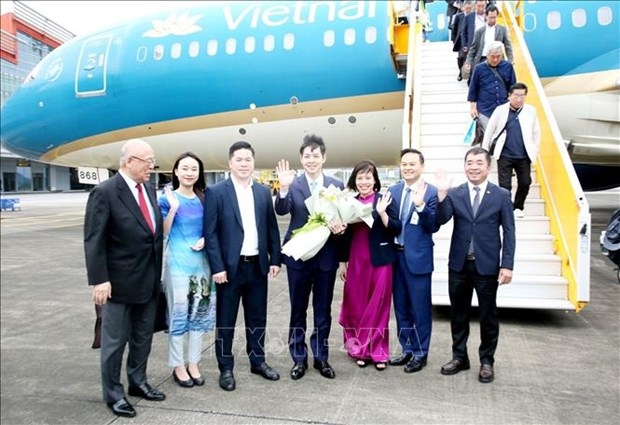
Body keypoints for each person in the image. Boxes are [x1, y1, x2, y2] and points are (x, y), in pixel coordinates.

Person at [84, 139, 165, 418]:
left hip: (149, 280)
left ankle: (138, 383)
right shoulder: (105, 192)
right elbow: (94, 238)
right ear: (129, 161)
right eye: (147, 161)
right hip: (117, 284)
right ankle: (113, 394)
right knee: (114, 343)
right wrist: (99, 279)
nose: (152, 166)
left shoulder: (149, 189)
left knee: (143, 337)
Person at [204, 141, 282, 392]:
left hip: (257, 267)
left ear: (253, 162)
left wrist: (275, 259)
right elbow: (211, 232)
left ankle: (257, 361)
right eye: (239, 159)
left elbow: (271, 227)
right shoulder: (216, 192)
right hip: (229, 269)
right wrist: (217, 267)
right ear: (230, 163)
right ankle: (225, 367)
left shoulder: (261, 192)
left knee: (257, 318)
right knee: (226, 320)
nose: (244, 163)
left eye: (248, 159)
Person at [435, 146, 516, 384]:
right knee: (458, 314)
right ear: (464, 166)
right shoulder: (455, 193)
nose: (473, 167)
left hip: (487, 266)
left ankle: (487, 361)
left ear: (488, 167)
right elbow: (441, 220)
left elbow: (509, 231)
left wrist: (507, 264)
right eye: (469, 163)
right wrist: (441, 195)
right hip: (459, 265)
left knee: (487, 315)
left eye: (479, 163)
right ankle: (460, 357)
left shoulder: (501, 195)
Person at [275, 134, 346, 380]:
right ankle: (298, 358)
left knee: (322, 310)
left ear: (324, 158)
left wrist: (341, 227)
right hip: (299, 258)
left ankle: (321, 358)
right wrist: (283, 188)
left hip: (326, 257)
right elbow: (281, 210)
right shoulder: (292, 184)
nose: (311, 160)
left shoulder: (336, 184)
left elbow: (343, 218)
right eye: (307, 156)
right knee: (297, 309)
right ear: (301, 159)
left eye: (316, 156)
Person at [158, 152, 216, 388]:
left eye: (194, 169)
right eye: (185, 168)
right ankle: (177, 365)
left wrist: (205, 238)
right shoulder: (167, 198)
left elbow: (212, 227)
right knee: (179, 315)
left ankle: (194, 363)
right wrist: (172, 209)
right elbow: (163, 232)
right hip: (177, 265)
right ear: (176, 171)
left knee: (199, 316)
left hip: (202, 264)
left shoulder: (204, 198)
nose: (189, 173)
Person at [337, 160, 400, 371]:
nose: (364, 181)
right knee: (356, 306)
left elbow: (396, 228)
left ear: (375, 180)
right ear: (355, 180)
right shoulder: (348, 202)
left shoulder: (385, 199)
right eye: (360, 177)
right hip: (356, 261)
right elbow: (344, 237)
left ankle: (378, 351)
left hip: (380, 261)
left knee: (379, 306)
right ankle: (360, 349)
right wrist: (342, 262)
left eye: (368, 177)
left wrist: (382, 213)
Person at [388, 149, 440, 373]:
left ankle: (420, 353)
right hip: (396, 257)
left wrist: (420, 206)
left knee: (420, 309)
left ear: (422, 166)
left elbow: (433, 226)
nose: (408, 168)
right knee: (400, 307)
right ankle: (407, 348)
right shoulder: (394, 190)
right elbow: (390, 223)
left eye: (412, 164)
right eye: (404, 164)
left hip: (418, 259)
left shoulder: (431, 192)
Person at [483, 82, 541, 218]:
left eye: (522, 96)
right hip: (505, 154)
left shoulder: (530, 110)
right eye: (516, 95)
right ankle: (507, 208)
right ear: (509, 96)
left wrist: (535, 149)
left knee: (525, 182)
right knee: (504, 185)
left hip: (523, 154)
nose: (519, 99)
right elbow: (490, 131)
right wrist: (485, 151)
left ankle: (518, 207)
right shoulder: (500, 110)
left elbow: (536, 131)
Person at [467, 40, 516, 130]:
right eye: (492, 56)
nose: (495, 59)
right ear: (487, 55)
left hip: (503, 107)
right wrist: (473, 108)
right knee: (487, 136)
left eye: (498, 56)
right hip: (485, 109)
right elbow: (473, 89)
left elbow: (513, 87)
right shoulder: (479, 68)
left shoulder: (508, 66)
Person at [464, 4, 514, 69]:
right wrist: (468, 61)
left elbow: (508, 46)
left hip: (498, 60)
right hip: (482, 60)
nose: (492, 20)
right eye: (491, 17)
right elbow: (473, 47)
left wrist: (510, 60)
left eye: (494, 17)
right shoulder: (479, 31)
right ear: (486, 16)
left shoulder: (502, 30)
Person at [451, 1, 474, 81]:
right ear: (463, 8)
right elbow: (454, 29)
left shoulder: (473, 17)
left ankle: (469, 74)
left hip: (470, 41)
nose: (468, 10)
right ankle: (460, 72)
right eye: (467, 8)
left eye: (470, 8)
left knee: (468, 58)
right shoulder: (459, 16)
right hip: (460, 41)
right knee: (461, 57)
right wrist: (453, 40)